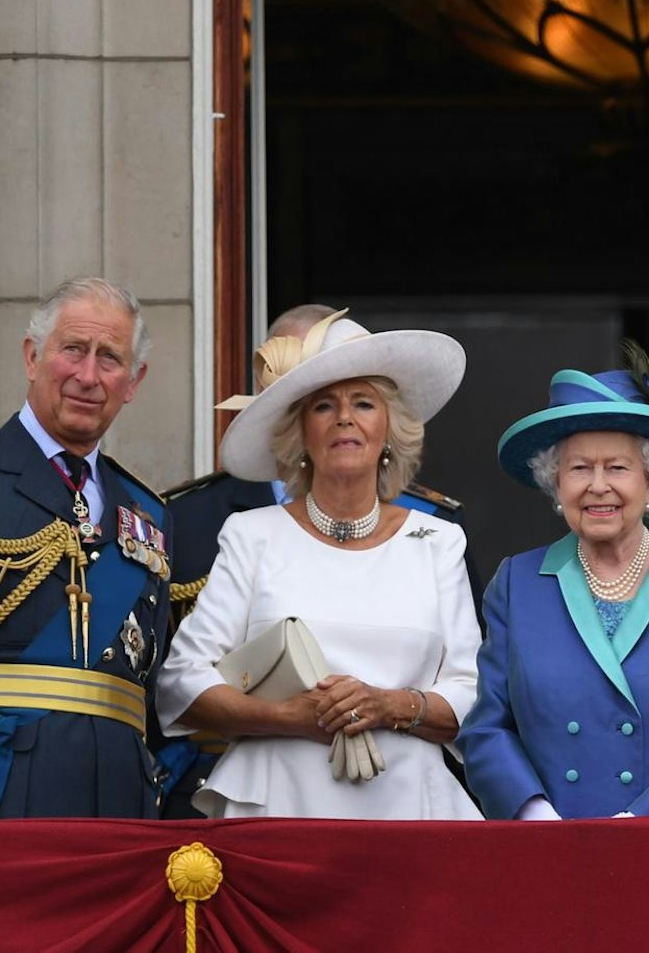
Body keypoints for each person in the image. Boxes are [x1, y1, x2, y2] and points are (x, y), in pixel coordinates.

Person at [156, 311, 482, 819]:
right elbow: (182, 682)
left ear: (389, 430)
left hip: (409, 813)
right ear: (301, 436)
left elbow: (471, 695)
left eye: (364, 403)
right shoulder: (253, 534)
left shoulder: (439, 541)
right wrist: (289, 716)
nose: (344, 418)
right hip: (277, 808)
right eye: (324, 405)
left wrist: (387, 704)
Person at [460, 346, 649, 819]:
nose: (598, 485)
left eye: (617, 467)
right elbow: (486, 728)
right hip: (549, 844)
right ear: (556, 484)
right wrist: (534, 814)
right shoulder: (518, 583)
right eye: (579, 468)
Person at [0, 277, 169, 819]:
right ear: (31, 356)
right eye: (73, 349)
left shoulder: (148, 511)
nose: (88, 376)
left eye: (109, 358)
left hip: (119, 797)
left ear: (133, 381)